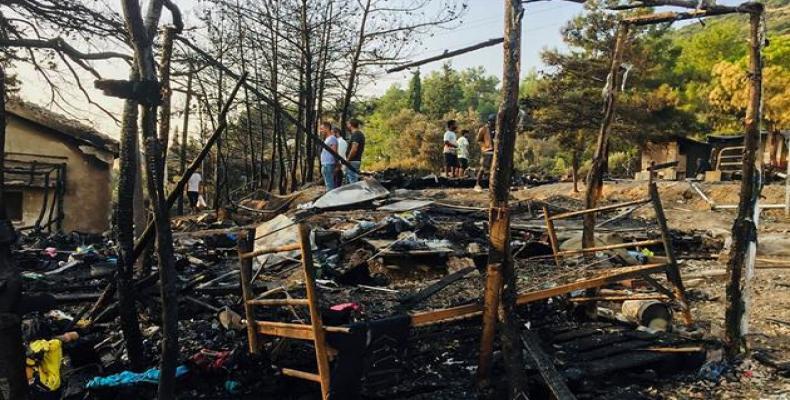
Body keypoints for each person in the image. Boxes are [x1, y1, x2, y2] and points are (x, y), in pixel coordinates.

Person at [475, 114, 496, 191]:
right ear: (489, 121)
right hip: (487, 151)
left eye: (494, 121)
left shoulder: (497, 129)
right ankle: (477, 184)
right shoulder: (483, 129)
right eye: (492, 121)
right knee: (483, 168)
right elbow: (479, 140)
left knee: (494, 168)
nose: (493, 123)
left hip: (495, 151)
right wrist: (485, 147)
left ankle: (492, 185)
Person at [320, 121, 339, 191]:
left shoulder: (332, 138)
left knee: (330, 185)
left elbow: (334, 152)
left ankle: (332, 200)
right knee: (328, 184)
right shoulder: (327, 139)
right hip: (325, 164)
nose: (321, 131)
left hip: (329, 164)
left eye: (322, 129)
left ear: (327, 128)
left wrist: (337, 164)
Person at [345, 118, 365, 183]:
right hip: (354, 161)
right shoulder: (358, 134)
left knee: (353, 182)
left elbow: (354, 149)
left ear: (351, 125)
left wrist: (348, 159)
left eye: (348, 124)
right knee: (352, 181)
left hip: (353, 162)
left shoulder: (356, 134)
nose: (347, 125)